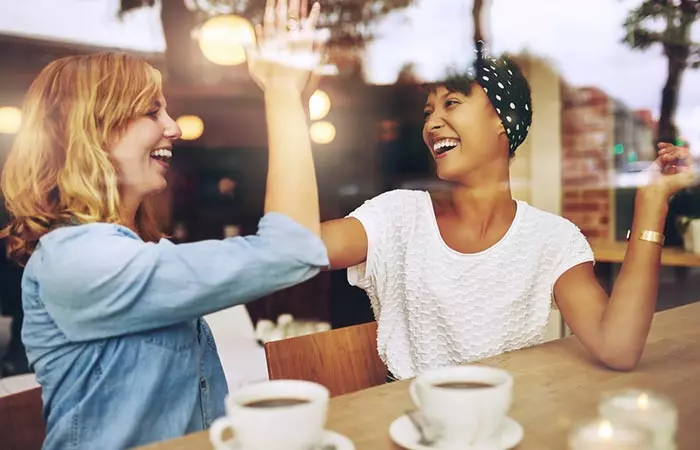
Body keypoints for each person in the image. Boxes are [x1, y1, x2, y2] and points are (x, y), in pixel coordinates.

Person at [0, 0, 326, 448]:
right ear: (94, 133)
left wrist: (294, 98)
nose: (173, 128)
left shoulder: (135, 253)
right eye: (152, 112)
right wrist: (282, 96)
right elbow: (291, 250)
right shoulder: (80, 261)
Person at [320, 46, 698, 381]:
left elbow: (618, 347)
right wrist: (286, 102)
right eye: (428, 111)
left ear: (504, 120)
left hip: (509, 424)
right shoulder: (398, 217)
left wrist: (651, 204)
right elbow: (298, 248)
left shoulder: (552, 240)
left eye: (451, 103)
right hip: (410, 424)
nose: (432, 123)